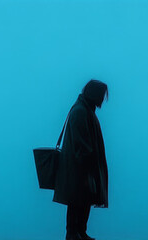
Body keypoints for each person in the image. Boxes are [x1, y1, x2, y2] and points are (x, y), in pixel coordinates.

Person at [53, 80, 109, 240]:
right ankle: (73, 233)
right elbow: (81, 144)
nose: (102, 99)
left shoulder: (85, 110)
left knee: (83, 199)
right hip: (79, 167)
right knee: (77, 199)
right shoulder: (80, 111)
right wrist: (89, 162)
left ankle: (80, 232)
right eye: (101, 95)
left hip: (83, 166)